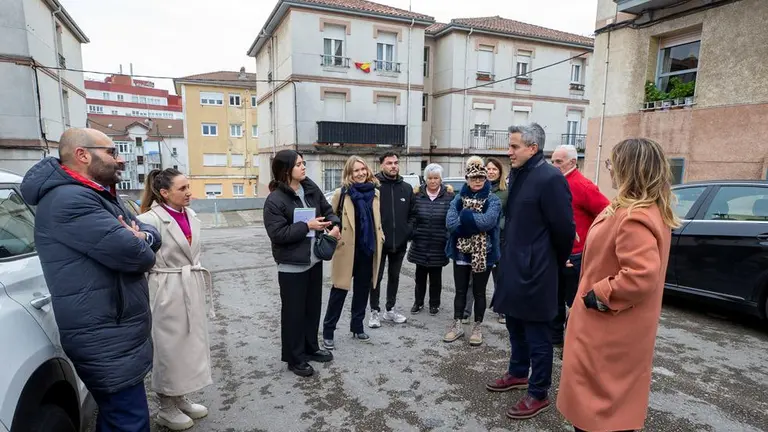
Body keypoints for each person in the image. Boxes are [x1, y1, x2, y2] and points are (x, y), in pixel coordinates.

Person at [20, 128, 161, 432]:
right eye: (112, 152)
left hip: (113, 328)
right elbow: (139, 255)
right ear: (83, 155)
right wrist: (140, 241)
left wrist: (142, 237)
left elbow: (149, 235)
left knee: (120, 416)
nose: (120, 159)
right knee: (128, 421)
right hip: (104, 333)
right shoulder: (70, 201)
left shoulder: (97, 194)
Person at [557, 138, 679, 432]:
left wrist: (596, 295)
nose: (610, 169)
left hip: (608, 332)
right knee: (603, 414)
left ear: (628, 168)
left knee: (599, 417)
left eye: (612, 163)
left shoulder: (634, 216)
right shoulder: (636, 209)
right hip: (612, 331)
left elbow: (640, 276)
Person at [488, 123, 575, 420]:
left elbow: (565, 228)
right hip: (512, 266)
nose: (508, 151)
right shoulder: (519, 174)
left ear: (532, 148)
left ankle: (538, 392)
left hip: (537, 270)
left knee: (538, 336)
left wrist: (553, 259)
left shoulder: (550, 178)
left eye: (513, 147)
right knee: (514, 326)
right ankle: (517, 373)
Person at [136, 168, 214, 430]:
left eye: (188, 186)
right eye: (182, 189)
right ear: (164, 192)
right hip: (165, 287)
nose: (189, 192)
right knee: (168, 349)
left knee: (188, 346)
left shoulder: (189, 214)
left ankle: (180, 397)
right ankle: (165, 406)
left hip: (188, 284)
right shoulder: (149, 219)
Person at [263, 150, 340, 377]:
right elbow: (278, 234)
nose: (303, 167)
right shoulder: (275, 199)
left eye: (303, 163)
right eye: (299, 164)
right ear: (286, 170)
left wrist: (334, 226)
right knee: (293, 313)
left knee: (311, 308)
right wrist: (307, 226)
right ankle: (294, 358)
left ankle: (310, 347)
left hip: (313, 260)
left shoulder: (310, 188)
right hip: (291, 266)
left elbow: (327, 211)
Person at [550, 144, 610, 348]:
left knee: (574, 304)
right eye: (553, 162)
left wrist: (586, 248)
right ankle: (556, 338)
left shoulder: (583, 186)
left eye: (559, 162)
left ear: (572, 162)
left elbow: (607, 217)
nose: (554, 165)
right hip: (556, 254)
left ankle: (573, 344)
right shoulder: (554, 183)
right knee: (554, 300)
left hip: (574, 257)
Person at [323, 156, 384, 347]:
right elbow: (329, 218)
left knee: (362, 291)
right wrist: (334, 231)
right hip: (346, 250)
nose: (360, 173)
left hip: (367, 249)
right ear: (349, 173)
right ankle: (328, 331)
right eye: (355, 171)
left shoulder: (375, 194)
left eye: (362, 169)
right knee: (339, 291)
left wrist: (381, 236)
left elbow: (377, 221)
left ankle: (357, 327)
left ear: (368, 170)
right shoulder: (341, 194)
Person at [443, 156, 501, 347]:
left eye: (481, 178)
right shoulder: (458, 198)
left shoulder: (493, 200)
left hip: (485, 253)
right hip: (460, 253)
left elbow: (489, 222)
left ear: (486, 179)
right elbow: (450, 224)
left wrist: (465, 216)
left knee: (479, 291)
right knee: (460, 290)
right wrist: (472, 222)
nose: (477, 181)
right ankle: (457, 324)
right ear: (467, 178)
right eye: (473, 177)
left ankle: (477, 326)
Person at [368, 152, 414, 328]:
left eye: (396, 162)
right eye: (389, 163)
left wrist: (407, 232)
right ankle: (374, 311)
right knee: (376, 278)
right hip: (378, 242)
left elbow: (413, 214)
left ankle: (390, 309)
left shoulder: (407, 188)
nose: (393, 166)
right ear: (381, 165)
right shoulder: (374, 187)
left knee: (394, 277)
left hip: (399, 243)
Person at [463, 157, 509, 324]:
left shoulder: (505, 191)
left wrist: (496, 225)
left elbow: (508, 215)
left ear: (499, 172)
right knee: (472, 278)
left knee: (500, 277)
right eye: (488, 169)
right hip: (475, 239)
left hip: (498, 238)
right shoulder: (476, 188)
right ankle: (466, 311)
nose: (490, 172)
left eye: (494, 169)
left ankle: (502, 309)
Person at [407, 163, 454, 315]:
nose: (433, 181)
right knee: (419, 277)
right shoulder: (417, 195)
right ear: (425, 179)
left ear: (441, 179)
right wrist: (413, 232)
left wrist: (447, 236)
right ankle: (418, 302)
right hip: (420, 242)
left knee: (436, 278)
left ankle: (434, 304)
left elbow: (452, 218)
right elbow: (411, 216)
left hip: (439, 244)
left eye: (436, 178)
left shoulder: (448, 196)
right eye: (430, 178)